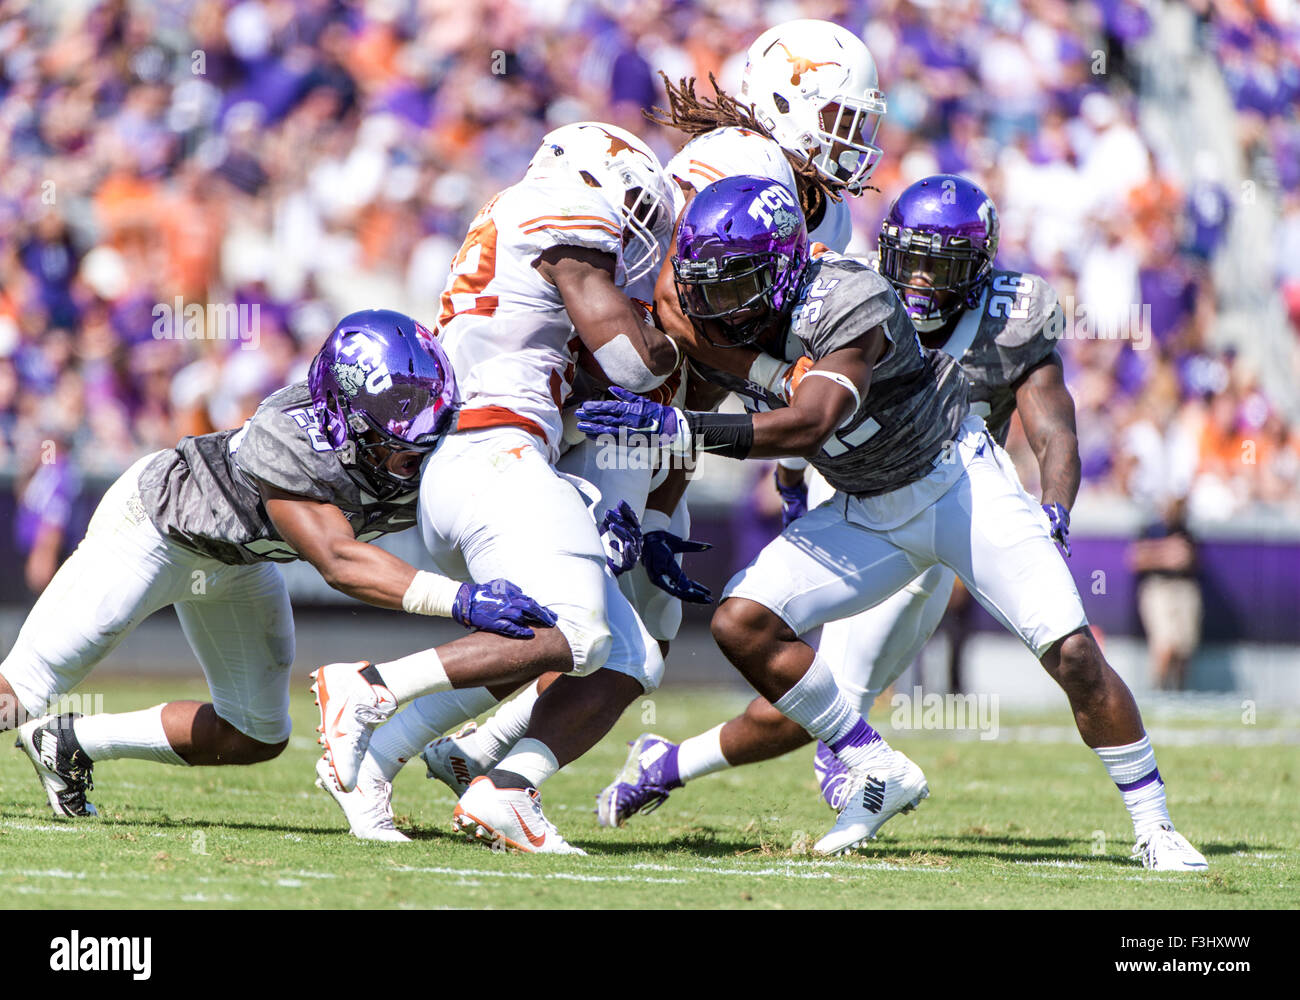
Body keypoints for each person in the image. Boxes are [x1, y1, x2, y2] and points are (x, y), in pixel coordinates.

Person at [576, 176, 1207, 869]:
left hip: (954, 485)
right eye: (711, 286)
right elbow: (705, 353)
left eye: (736, 284)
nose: (718, 303)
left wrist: (679, 428)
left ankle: (1155, 827)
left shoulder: (855, 297)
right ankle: (872, 765)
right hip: (863, 506)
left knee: (1074, 653)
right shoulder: (745, 306)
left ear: (783, 268)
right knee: (741, 623)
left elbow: (812, 419)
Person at [419, 18, 885, 822]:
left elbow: (715, 360)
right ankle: (473, 759)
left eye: (860, 123)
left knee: (637, 620)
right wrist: (771, 378)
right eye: (841, 118)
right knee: (601, 620)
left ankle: (481, 752)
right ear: (785, 104)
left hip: (669, 410)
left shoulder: (827, 215)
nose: (855, 141)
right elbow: (677, 302)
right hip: (618, 394)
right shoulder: (741, 160)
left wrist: (674, 496)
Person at [0, 309, 555, 818]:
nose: (413, 457)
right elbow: (339, 561)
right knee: (21, 693)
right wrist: (459, 599)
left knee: (255, 733)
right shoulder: (287, 437)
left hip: (240, 562)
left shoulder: (430, 429)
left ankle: (70, 742)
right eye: (396, 441)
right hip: (157, 528)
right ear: (343, 415)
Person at [310, 122, 680, 852]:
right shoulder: (558, 210)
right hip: (495, 452)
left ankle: (471, 784)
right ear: (590, 182)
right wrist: (674, 332)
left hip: (485, 459)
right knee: (574, 632)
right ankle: (368, 684)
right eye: (633, 202)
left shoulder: (511, 217)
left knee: (630, 654)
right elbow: (636, 366)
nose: (638, 228)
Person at [1130, 496, 1201, 691]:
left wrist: (1157, 553)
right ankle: (1158, 690)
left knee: (1183, 647)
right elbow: (1136, 558)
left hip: (1183, 589)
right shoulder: (1150, 529)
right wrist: (1166, 553)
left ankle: (1178, 692)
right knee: (1164, 644)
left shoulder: (1186, 530)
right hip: (1159, 589)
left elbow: (1186, 558)